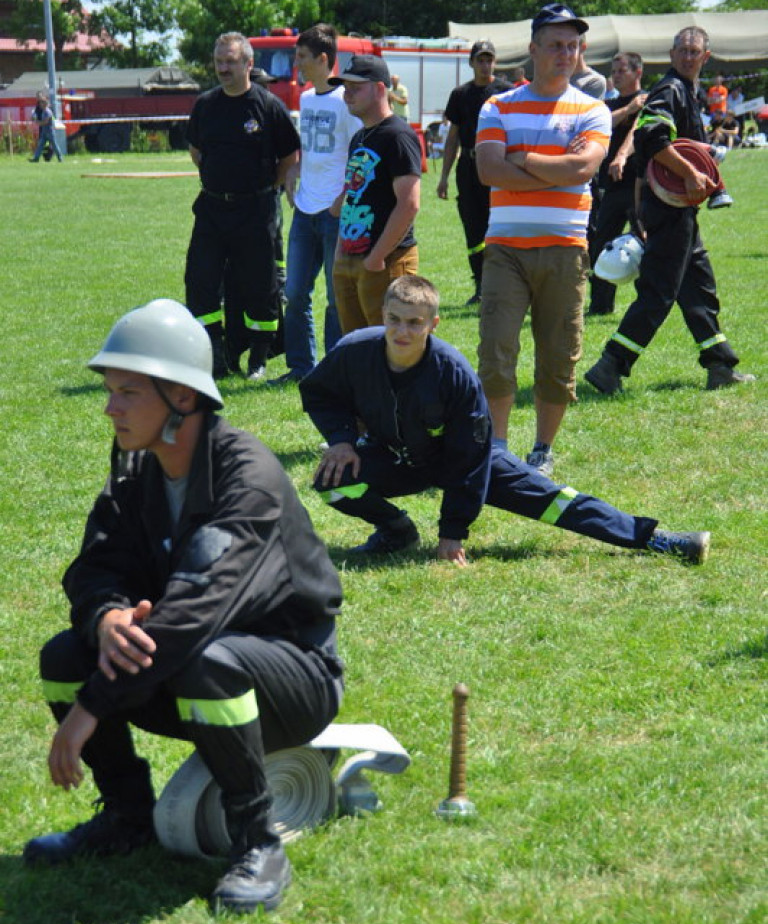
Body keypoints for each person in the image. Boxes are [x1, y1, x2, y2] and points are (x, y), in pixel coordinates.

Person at [23, 299, 344, 916]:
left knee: (204, 658)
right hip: (185, 664)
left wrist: (93, 705)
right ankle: (127, 817)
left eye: (127, 393)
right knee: (66, 655)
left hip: (293, 675)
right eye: (111, 392)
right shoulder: (136, 469)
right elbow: (93, 568)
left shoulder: (247, 473)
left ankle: (258, 840)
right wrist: (107, 616)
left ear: (184, 399)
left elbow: (199, 608)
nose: (110, 407)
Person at [299, 275, 710, 565]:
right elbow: (319, 392)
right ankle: (396, 531)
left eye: (414, 322)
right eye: (394, 319)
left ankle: (659, 540)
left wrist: (452, 532)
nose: (401, 331)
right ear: (383, 316)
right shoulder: (354, 351)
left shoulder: (453, 372)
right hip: (399, 457)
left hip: (473, 461)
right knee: (332, 482)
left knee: (557, 503)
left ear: (433, 324)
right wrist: (341, 439)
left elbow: (469, 458)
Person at [475, 3, 611, 479]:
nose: (565, 53)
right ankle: (496, 446)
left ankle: (542, 449)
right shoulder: (497, 105)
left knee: (558, 355)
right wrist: (554, 169)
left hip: (565, 249)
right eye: (555, 45)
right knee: (496, 351)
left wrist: (523, 156)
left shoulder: (594, 109)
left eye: (572, 45)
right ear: (533, 49)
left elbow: (583, 169)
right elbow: (488, 170)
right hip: (506, 250)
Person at [584, 27, 755, 395]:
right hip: (667, 210)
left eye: (695, 51)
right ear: (673, 53)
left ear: (705, 56)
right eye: (683, 50)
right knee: (659, 292)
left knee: (698, 287)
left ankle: (719, 362)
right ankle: (610, 365)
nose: (688, 56)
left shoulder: (688, 92)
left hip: (680, 212)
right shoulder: (671, 90)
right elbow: (652, 138)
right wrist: (691, 172)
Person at [185, 32, 300, 381]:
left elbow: (290, 156)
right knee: (200, 279)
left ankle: (259, 357)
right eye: (219, 61)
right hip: (213, 207)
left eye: (230, 62)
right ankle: (216, 353)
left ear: (249, 64)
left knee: (260, 284)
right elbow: (196, 151)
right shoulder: (205, 105)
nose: (223, 68)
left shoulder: (267, 106)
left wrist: (267, 188)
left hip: (256, 209)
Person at [269, 23, 362, 387]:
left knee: (336, 299)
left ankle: (335, 370)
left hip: (334, 213)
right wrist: (294, 170)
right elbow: (309, 148)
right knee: (294, 293)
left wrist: (342, 199)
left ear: (324, 60)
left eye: (302, 57)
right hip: (305, 210)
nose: (297, 64)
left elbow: (358, 154)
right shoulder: (306, 98)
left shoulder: (348, 101)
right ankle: (301, 367)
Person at [329, 54, 421, 335]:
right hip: (350, 258)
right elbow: (353, 192)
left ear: (380, 89)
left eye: (356, 88)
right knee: (357, 347)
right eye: (345, 88)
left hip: (385, 260)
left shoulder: (398, 135)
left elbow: (409, 203)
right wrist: (340, 254)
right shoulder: (360, 136)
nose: (347, 95)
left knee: (392, 346)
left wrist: (377, 257)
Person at [437, 41, 509, 306]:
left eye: (489, 59)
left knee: (498, 224)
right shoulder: (461, 94)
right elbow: (453, 137)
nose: (485, 64)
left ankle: (502, 283)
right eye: (480, 59)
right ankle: (480, 284)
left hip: (496, 165)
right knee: (473, 224)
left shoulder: (505, 93)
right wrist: (444, 176)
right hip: (468, 166)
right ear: (471, 63)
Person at [587, 52, 647, 316]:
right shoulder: (608, 105)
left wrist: (637, 109)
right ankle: (600, 305)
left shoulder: (651, 101)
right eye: (614, 70)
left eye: (622, 70)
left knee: (646, 244)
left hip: (641, 184)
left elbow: (639, 130)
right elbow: (602, 126)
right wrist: (628, 109)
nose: (616, 75)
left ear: (638, 73)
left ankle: (648, 304)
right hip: (613, 186)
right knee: (601, 244)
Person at [571, 34, 607, 99]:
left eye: (572, 46)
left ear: (583, 47)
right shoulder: (556, 77)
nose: (565, 52)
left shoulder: (593, 81)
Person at [29, 94, 63, 163]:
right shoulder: (43, 111)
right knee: (40, 145)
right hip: (44, 132)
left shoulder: (48, 112)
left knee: (54, 145)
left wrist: (37, 122)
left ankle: (60, 158)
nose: (40, 104)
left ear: (45, 103)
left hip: (50, 132)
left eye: (41, 103)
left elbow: (45, 122)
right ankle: (36, 158)